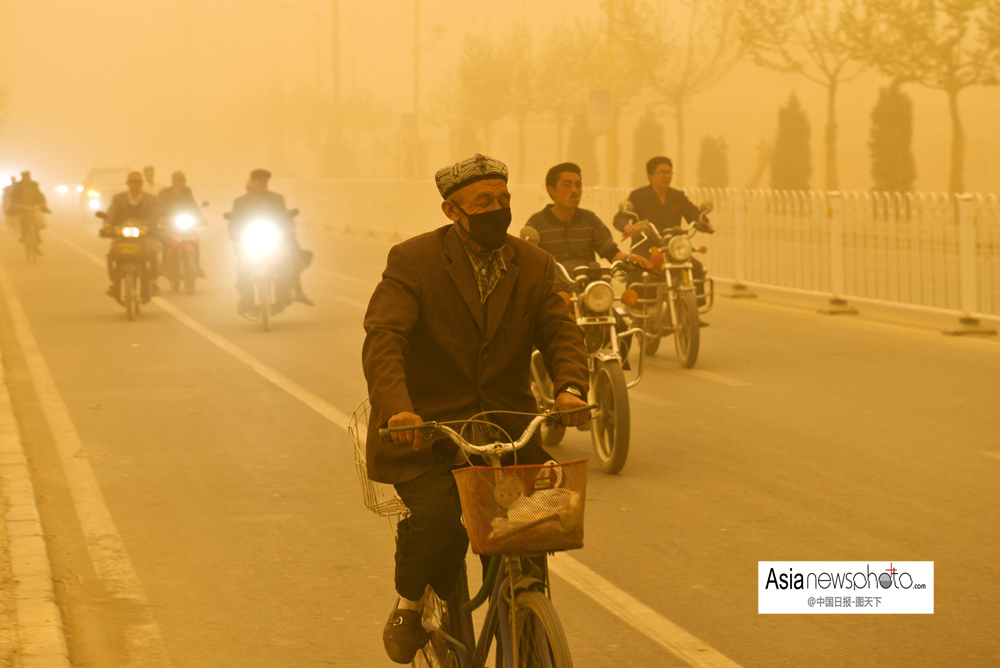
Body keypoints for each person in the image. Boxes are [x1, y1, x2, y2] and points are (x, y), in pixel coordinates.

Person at [362, 153, 591, 664]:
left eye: (504, 199)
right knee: (439, 520)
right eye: (483, 201)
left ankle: (528, 612)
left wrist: (570, 386)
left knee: (534, 527)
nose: (497, 209)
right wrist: (398, 409)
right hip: (428, 432)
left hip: (507, 429)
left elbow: (560, 332)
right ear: (451, 210)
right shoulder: (414, 261)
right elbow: (384, 338)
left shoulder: (535, 265)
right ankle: (410, 601)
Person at [613, 156, 714, 311]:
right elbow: (620, 217)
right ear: (650, 176)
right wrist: (627, 226)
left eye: (668, 172)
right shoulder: (638, 196)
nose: (666, 176)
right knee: (638, 270)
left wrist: (704, 223)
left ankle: (692, 311)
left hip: (672, 248)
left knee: (696, 267)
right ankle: (637, 309)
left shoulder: (678, 196)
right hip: (646, 246)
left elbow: (693, 213)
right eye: (661, 172)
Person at [526, 162, 651, 274]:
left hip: (587, 291)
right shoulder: (536, 223)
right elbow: (528, 261)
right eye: (567, 185)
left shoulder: (590, 220)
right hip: (551, 293)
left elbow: (611, 252)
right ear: (551, 190)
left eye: (578, 185)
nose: (574, 190)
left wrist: (630, 258)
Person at [227, 168, 313, 314]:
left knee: (285, 264)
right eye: (259, 181)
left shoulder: (277, 199)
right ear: (252, 182)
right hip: (249, 241)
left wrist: (288, 228)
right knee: (242, 268)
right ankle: (246, 301)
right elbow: (233, 221)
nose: (262, 183)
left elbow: (286, 216)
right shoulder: (240, 201)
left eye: (265, 181)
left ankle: (284, 298)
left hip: (273, 240)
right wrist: (234, 231)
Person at [102, 171, 162, 299]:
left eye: (139, 182)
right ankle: (114, 284)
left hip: (144, 235)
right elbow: (112, 213)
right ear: (128, 183)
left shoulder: (151, 199)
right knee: (112, 254)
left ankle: (153, 282)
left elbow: (154, 217)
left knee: (153, 250)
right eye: (134, 182)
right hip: (122, 236)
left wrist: (136, 222)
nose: (136, 185)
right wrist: (107, 224)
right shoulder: (118, 198)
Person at [158, 171, 206, 277]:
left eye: (184, 179)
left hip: (186, 224)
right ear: (173, 181)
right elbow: (159, 208)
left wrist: (200, 216)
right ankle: (164, 266)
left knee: (195, 239)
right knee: (167, 241)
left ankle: (196, 266)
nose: (182, 182)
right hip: (170, 225)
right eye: (179, 179)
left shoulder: (187, 191)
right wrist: (162, 218)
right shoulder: (164, 193)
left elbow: (193, 205)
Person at [10, 171, 51, 252]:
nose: (27, 179)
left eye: (28, 177)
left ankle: (37, 238)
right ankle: (23, 236)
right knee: (23, 221)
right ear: (23, 177)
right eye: (25, 177)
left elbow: (39, 194)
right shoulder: (18, 185)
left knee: (36, 222)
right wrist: (15, 204)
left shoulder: (34, 184)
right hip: (22, 206)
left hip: (33, 205)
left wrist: (42, 204)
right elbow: (14, 195)